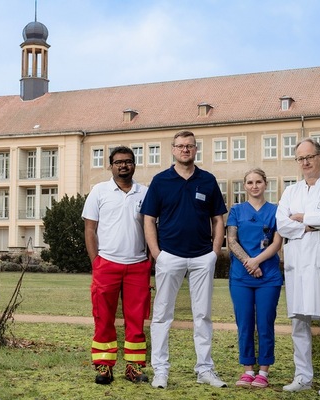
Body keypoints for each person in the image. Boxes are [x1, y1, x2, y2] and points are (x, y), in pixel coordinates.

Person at [141, 130, 228, 389]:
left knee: (203, 315)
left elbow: (218, 219)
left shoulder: (208, 180)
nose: (185, 150)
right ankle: (160, 370)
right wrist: (157, 254)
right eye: (180, 146)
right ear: (173, 149)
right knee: (162, 315)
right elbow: (148, 219)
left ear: (195, 149)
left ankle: (205, 369)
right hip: (170, 256)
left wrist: (214, 252)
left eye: (189, 146)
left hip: (202, 257)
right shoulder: (160, 181)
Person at [276, 138, 320, 396]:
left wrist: (303, 218)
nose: (306, 162)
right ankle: (303, 376)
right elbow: (281, 224)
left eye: (310, 156)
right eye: (301, 158)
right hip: (298, 263)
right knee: (299, 321)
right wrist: (310, 224)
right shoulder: (290, 191)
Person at [82, 146, 151, 385]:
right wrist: (96, 263)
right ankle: (104, 366)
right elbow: (89, 229)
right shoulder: (99, 191)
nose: (123, 165)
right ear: (110, 165)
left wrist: (149, 261)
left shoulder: (145, 192)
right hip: (107, 264)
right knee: (103, 317)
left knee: (137, 318)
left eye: (128, 161)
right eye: (118, 162)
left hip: (137, 265)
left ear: (134, 164)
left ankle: (134, 366)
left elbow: (152, 229)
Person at [226, 168, 283, 389]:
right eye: (249, 182)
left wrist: (256, 261)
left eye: (258, 181)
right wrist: (250, 264)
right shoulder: (236, 210)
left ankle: (264, 371)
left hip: (268, 276)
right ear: (245, 185)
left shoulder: (276, 211)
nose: (254, 186)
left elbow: (277, 243)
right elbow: (232, 241)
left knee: (266, 323)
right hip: (241, 277)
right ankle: (248, 369)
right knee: (245, 324)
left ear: (265, 184)